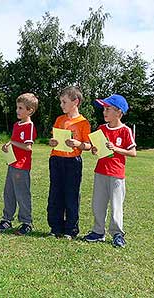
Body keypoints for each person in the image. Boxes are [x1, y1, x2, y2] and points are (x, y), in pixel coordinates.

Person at [84, 94, 136, 248]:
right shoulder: (101, 128)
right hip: (100, 172)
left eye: (108, 109)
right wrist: (94, 149)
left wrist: (116, 149)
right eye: (104, 109)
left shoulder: (125, 131)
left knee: (116, 205)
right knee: (97, 204)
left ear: (119, 113)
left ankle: (117, 234)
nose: (104, 112)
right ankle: (98, 232)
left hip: (116, 174)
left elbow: (133, 152)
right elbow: (96, 149)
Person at [47, 86, 91, 239]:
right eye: (60, 102)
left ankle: (70, 230)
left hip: (73, 162)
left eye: (64, 102)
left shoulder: (83, 123)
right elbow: (53, 139)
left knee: (71, 196)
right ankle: (55, 227)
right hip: (56, 160)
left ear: (75, 102)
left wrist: (78, 144)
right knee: (55, 194)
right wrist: (52, 142)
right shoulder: (59, 119)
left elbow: (89, 145)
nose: (61, 105)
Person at [0, 93, 38, 236]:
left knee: (22, 194)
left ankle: (26, 222)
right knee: (9, 193)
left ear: (30, 110)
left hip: (22, 167)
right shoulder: (16, 125)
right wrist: (7, 147)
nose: (17, 111)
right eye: (17, 108)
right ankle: (7, 219)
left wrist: (12, 142)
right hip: (12, 164)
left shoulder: (29, 126)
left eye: (21, 108)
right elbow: (15, 144)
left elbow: (28, 147)